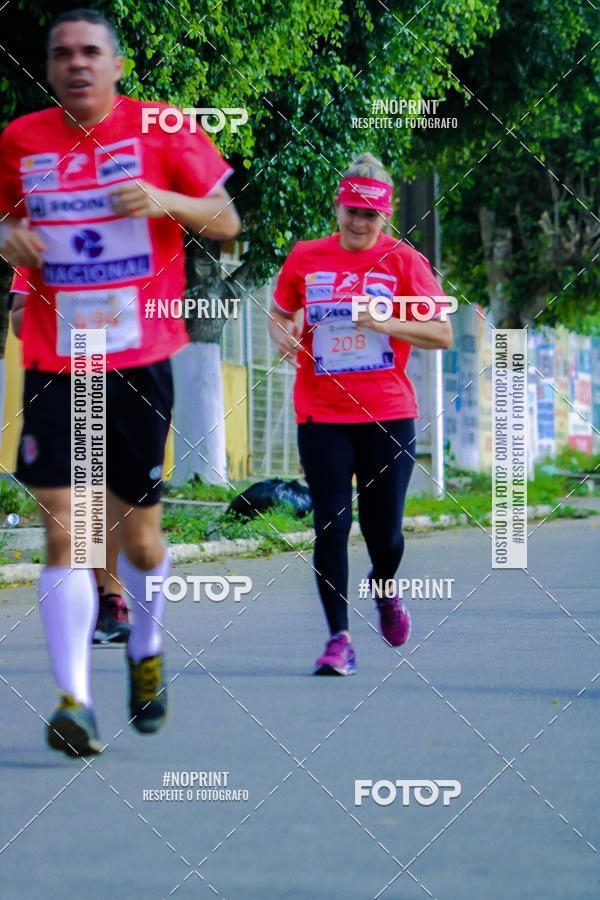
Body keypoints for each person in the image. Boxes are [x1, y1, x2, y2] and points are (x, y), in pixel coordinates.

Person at [0, 9, 240, 755]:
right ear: (50, 66)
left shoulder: (163, 128)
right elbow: (7, 222)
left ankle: (144, 648)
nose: (76, 64)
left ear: (117, 64)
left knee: (138, 540)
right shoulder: (20, 139)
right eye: (62, 53)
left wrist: (165, 200)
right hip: (55, 354)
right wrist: (7, 238)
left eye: (91, 53)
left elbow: (227, 220)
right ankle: (74, 699)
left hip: (138, 357)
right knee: (64, 528)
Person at [268, 153, 453, 675]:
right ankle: (338, 639)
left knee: (385, 534)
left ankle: (385, 586)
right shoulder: (306, 257)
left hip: (387, 414)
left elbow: (441, 333)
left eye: (370, 215)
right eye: (352, 210)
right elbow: (279, 313)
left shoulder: (403, 262)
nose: (359, 223)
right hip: (321, 411)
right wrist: (280, 333)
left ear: (386, 217)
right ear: (337, 207)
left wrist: (385, 320)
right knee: (330, 523)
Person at [9, 272, 130, 644]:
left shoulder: (129, 236)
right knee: (85, 496)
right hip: (66, 380)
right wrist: (64, 306)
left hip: (129, 374)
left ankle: (111, 597)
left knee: (116, 495)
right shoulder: (43, 239)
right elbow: (17, 320)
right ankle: (96, 598)